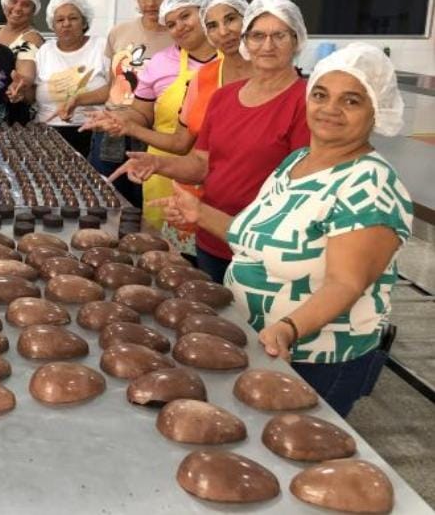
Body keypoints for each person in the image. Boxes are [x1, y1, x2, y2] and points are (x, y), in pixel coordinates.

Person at [154, 43, 412, 417]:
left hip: (315, 358)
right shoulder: (297, 161)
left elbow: (346, 283)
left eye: (351, 101)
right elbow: (256, 237)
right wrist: (200, 213)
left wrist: (289, 328)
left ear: (377, 112)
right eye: (321, 94)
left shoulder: (369, 185)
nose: (330, 109)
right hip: (256, 340)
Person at [112, 0, 311, 281]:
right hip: (210, 236)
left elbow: (302, 191)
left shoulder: (305, 102)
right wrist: (155, 162)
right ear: (247, 41)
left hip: (264, 246)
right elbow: (201, 164)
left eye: (278, 35)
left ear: (296, 39)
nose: (267, 46)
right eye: (257, 36)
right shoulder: (223, 96)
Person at [85, 0, 252, 250]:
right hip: (173, 170)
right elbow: (174, 136)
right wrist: (123, 121)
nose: (180, 27)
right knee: (176, 256)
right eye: (171, 23)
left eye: (186, 16)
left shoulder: (255, 71)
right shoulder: (187, 72)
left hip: (240, 184)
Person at [90, 0, 177, 187]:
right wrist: (77, 100)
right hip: (112, 129)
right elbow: (112, 85)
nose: (151, 3)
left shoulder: (179, 37)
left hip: (154, 133)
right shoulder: (119, 32)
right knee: (106, 191)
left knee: (143, 196)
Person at [9, 0, 109, 158]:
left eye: (73, 18)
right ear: (52, 25)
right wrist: (21, 91)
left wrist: (78, 99)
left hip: (93, 131)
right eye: (60, 20)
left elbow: (113, 89)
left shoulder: (100, 46)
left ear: (84, 22)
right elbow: (34, 95)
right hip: (47, 133)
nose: (66, 24)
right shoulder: (45, 51)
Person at [0, 0, 45, 121]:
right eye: (13, 1)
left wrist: (18, 86)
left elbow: (25, 77)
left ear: (34, 10)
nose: (17, 8)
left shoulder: (31, 38)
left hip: (12, 116)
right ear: (5, 3)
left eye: (26, 4)